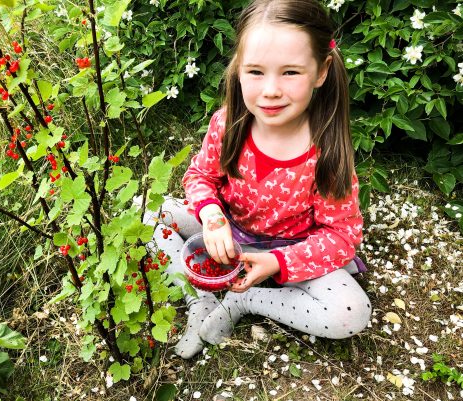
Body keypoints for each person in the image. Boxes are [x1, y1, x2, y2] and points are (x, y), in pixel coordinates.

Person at [147, 0, 371, 359]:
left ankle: (248, 300)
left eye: (290, 73)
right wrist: (212, 217)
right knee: (148, 214)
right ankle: (199, 300)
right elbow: (200, 176)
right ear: (238, 69)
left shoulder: (325, 147)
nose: (270, 90)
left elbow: (342, 236)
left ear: (321, 70)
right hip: (231, 237)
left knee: (351, 312)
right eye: (255, 72)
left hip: (291, 250)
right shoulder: (229, 122)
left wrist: (278, 263)